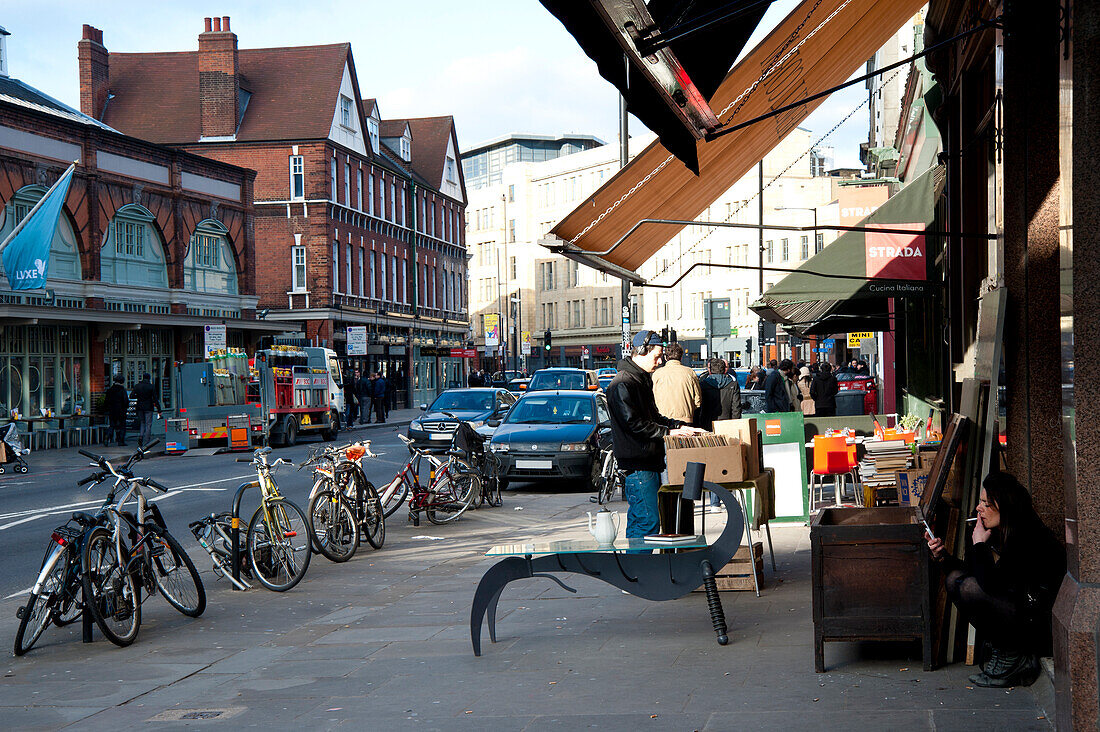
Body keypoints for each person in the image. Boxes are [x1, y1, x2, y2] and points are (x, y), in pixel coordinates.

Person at [926, 473, 1066, 688]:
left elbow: (991, 586)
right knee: (955, 580)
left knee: (970, 587)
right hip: (1019, 609)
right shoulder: (998, 531)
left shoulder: (1028, 536)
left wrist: (980, 546)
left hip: (1039, 624)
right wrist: (943, 556)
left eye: (987, 504)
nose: (979, 508)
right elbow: (972, 574)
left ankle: (1016, 655)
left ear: (1006, 507)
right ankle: (1007, 650)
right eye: (981, 502)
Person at [606, 330, 703, 540]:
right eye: (657, 356)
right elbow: (634, 424)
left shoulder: (639, 380)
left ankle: (636, 570)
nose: (660, 362)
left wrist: (679, 426)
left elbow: (653, 417)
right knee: (647, 521)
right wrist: (669, 432)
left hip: (646, 461)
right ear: (641, 351)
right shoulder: (623, 383)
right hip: (639, 463)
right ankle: (640, 570)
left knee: (643, 519)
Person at [652, 342, 702, 424]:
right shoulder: (690, 372)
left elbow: (652, 398)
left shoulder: (657, 374)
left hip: (663, 419)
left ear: (665, 357)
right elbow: (697, 400)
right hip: (686, 419)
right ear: (681, 357)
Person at [699, 358, 741, 429]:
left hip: (707, 423)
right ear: (725, 370)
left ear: (710, 370)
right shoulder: (733, 385)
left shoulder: (703, 384)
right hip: (727, 423)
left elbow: (699, 406)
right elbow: (736, 408)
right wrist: (735, 424)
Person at [131, 373, 160, 447]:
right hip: (148, 407)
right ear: (149, 378)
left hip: (140, 406)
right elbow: (155, 398)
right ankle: (147, 441)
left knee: (142, 422)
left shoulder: (137, 386)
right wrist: (159, 409)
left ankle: (141, 436)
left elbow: (131, 395)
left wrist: (138, 396)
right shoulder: (151, 386)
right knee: (148, 424)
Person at [104, 374, 129, 447]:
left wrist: (108, 408)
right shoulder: (122, 390)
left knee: (112, 425)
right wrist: (126, 407)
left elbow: (106, 401)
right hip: (121, 410)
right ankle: (121, 441)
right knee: (122, 426)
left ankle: (107, 436)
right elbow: (125, 401)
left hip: (112, 410)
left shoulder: (110, 390)